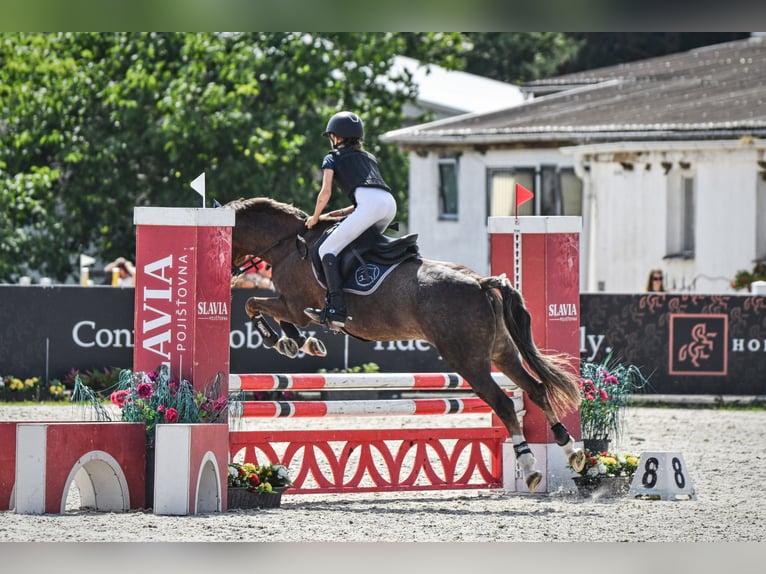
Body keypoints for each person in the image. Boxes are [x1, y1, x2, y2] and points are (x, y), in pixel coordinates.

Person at [304, 111, 397, 329]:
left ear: (335, 137)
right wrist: (336, 215)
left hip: (369, 206)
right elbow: (364, 198)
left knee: (326, 250)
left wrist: (314, 218)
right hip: (389, 205)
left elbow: (324, 193)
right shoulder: (369, 157)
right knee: (360, 244)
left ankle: (337, 309)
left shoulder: (332, 157)